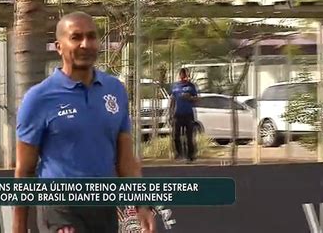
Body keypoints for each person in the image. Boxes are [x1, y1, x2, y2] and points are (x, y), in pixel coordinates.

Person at [14, 12, 156, 233]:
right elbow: (24, 171)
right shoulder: (39, 98)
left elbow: (125, 160)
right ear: (58, 46)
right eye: (76, 37)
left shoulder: (115, 91)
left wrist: (141, 204)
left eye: (91, 37)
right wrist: (18, 227)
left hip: (104, 207)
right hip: (60, 209)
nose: (85, 44)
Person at [168, 68, 198, 162]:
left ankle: (190, 156)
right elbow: (172, 100)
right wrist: (170, 113)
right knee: (176, 136)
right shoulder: (175, 86)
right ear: (179, 75)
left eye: (185, 75)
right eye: (182, 74)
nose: (183, 76)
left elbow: (197, 99)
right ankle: (179, 154)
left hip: (188, 114)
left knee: (189, 136)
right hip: (178, 114)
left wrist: (190, 98)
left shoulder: (191, 86)